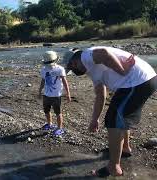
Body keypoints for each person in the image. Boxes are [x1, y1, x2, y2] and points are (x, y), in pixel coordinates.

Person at [64, 46, 157, 177]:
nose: (74, 72)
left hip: (136, 81)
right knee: (120, 117)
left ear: (73, 62)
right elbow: (101, 95)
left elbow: (104, 53)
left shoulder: (85, 56)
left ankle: (114, 167)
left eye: (72, 69)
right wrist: (95, 119)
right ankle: (125, 148)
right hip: (140, 81)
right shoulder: (92, 70)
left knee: (114, 120)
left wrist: (122, 70)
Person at [38, 51, 71, 136]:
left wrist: (68, 93)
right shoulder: (44, 69)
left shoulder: (60, 69)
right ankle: (50, 124)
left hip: (56, 96)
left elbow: (65, 82)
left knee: (58, 112)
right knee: (46, 111)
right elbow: (43, 81)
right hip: (46, 95)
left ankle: (60, 128)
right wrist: (40, 91)